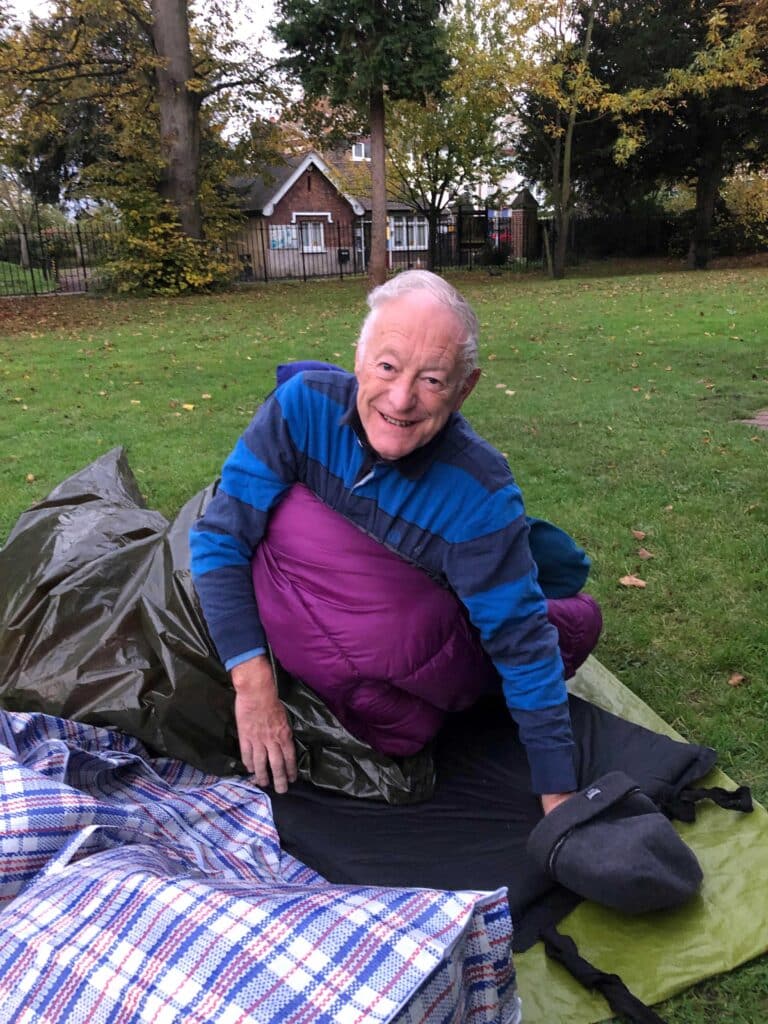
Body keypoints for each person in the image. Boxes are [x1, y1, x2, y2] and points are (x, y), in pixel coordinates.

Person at [190, 270, 583, 814]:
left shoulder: (481, 494)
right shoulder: (302, 406)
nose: (401, 400)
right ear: (359, 356)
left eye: (433, 381)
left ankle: (554, 579)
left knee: (570, 624)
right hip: (317, 628)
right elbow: (219, 535)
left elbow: (522, 645)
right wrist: (253, 685)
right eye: (388, 366)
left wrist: (558, 793)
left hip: (433, 632)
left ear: (464, 389)